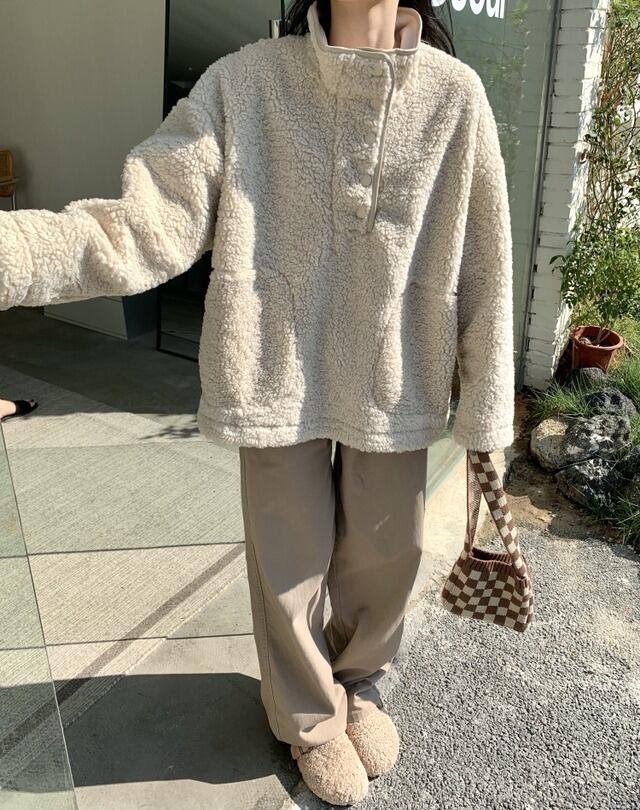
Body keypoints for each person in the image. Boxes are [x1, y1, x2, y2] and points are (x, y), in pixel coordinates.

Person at [0, 0, 515, 804]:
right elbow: (145, 224)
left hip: (398, 374)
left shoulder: (455, 95)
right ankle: (308, 719)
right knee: (289, 565)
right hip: (276, 368)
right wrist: (15, 252)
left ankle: (360, 686)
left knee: (390, 554)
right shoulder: (245, 84)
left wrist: (486, 410)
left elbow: (487, 264)